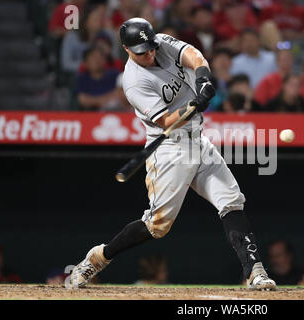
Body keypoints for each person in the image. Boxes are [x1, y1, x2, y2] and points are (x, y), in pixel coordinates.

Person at [66, 18, 276, 291]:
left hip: (198, 141)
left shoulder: (160, 43)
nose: (149, 53)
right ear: (127, 49)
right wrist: (193, 104)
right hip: (169, 149)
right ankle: (97, 258)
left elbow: (193, 55)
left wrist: (202, 77)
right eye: (142, 50)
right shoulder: (133, 81)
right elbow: (165, 121)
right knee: (157, 225)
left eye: (150, 47)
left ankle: (255, 272)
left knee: (231, 201)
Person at [76, 46, 124, 111]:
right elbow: (82, 99)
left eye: (100, 56)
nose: (97, 60)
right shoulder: (82, 79)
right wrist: (101, 100)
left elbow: (121, 93)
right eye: (93, 57)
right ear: (85, 63)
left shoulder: (114, 75)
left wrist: (94, 100)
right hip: (90, 114)